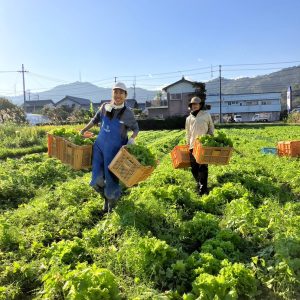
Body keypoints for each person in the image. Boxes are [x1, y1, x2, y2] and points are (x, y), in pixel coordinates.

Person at [80, 82, 139, 212]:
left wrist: (132, 139)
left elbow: (136, 128)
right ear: (112, 93)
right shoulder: (104, 107)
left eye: (121, 93)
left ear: (125, 95)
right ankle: (106, 198)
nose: (118, 95)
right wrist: (83, 130)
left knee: (111, 181)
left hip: (114, 152)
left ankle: (111, 205)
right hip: (99, 148)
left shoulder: (127, 113)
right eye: (115, 92)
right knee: (96, 180)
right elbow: (95, 120)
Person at [185, 96, 214, 195]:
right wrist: (188, 144)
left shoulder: (206, 115)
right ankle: (199, 182)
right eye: (193, 104)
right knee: (194, 167)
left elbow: (211, 128)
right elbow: (188, 132)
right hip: (193, 145)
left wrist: (210, 138)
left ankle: (203, 188)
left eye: (196, 104)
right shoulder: (189, 118)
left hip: (203, 145)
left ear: (200, 105)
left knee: (203, 167)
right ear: (191, 106)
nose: (194, 106)